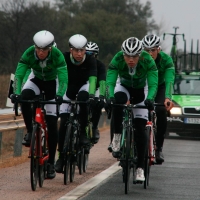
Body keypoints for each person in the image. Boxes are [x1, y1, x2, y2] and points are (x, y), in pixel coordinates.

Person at [11, 30, 68, 179]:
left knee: (52, 121)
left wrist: (60, 95)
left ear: (50, 48)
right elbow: (19, 74)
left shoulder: (57, 55)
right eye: (38, 48)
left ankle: (50, 162)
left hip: (51, 84)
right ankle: (30, 131)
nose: (41, 52)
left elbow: (63, 79)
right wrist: (16, 92)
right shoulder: (29, 53)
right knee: (24, 97)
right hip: (35, 79)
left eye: (44, 49)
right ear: (34, 46)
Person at [106, 37, 158, 181]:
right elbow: (110, 80)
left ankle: (140, 168)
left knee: (140, 128)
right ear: (123, 54)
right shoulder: (117, 59)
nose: (130, 59)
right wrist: (109, 96)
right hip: (124, 86)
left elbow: (153, 83)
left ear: (140, 55)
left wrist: (150, 99)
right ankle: (116, 137)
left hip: (142, 88)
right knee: (117, 102)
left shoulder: (148, 60)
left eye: (134, 56)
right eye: (127, 56)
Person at [55, 34, 97, 173]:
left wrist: (91, 94)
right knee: (63, 124)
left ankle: (84, 134)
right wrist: (59, 95)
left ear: (85, 50)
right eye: (76, 50)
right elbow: (58, 77)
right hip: (68, 87)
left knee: (84, 99)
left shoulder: (90, 59)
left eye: (82, 50)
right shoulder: (63, 57)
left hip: (84, 87)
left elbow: (92, 79)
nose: (79, 53)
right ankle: (61, 157)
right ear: (70, 50)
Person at [142, 34, 175, 163]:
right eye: (147, 50)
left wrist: (168, 98)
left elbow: (169, 81)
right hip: (144, 86)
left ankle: (159, 148)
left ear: (158, 49)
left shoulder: (166, 60)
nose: (150, 53)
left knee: (161, 111)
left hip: (160, 87)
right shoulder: (140, 58)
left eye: (153, 50)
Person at [85, 41, 106, 144]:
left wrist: (102, 96)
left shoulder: (100, 65)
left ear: (96, 55)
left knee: (97, 104)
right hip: (83, 87)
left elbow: (102, 82)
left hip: (96, 88)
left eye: (92, 54)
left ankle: (94, 127)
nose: (90, 56)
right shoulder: (81, 63)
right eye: (87, 53)